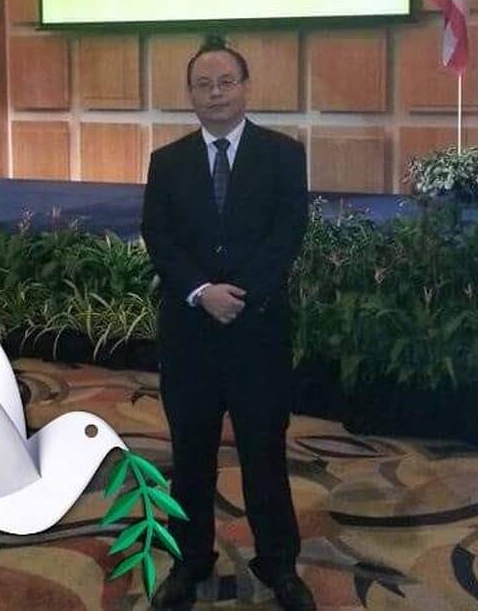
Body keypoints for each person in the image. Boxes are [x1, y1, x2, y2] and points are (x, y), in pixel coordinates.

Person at [141, 36, 314, 610]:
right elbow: (158, 237)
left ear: (245, 88)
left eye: (225, 82)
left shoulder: (283, 155)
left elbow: (287, 233)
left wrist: (239, 296)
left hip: (257, 332)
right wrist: (201, 292)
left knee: (264, 453)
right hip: (189, 335)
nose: (215, 94)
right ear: (190, 94)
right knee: (190, 456)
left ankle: (279, 564)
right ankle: (189, 561)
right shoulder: (168, 162)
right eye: (203, 85)